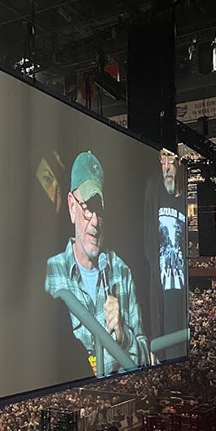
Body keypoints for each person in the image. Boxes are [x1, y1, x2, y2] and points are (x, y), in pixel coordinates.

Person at [45, 151, 150, 376]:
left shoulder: (122, 272)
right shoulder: (50, 273)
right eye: (87, 208)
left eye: (99, 210)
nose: (94, 222)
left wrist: (123, 335)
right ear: (72, 206)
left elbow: (144, 355)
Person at [144, 148, 187, 361]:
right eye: (163, 160)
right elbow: (148, 243)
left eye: (171, 160)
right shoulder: (153, 191)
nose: (167, 166)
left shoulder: (187, 193)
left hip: (181, 298)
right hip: (160, 292)